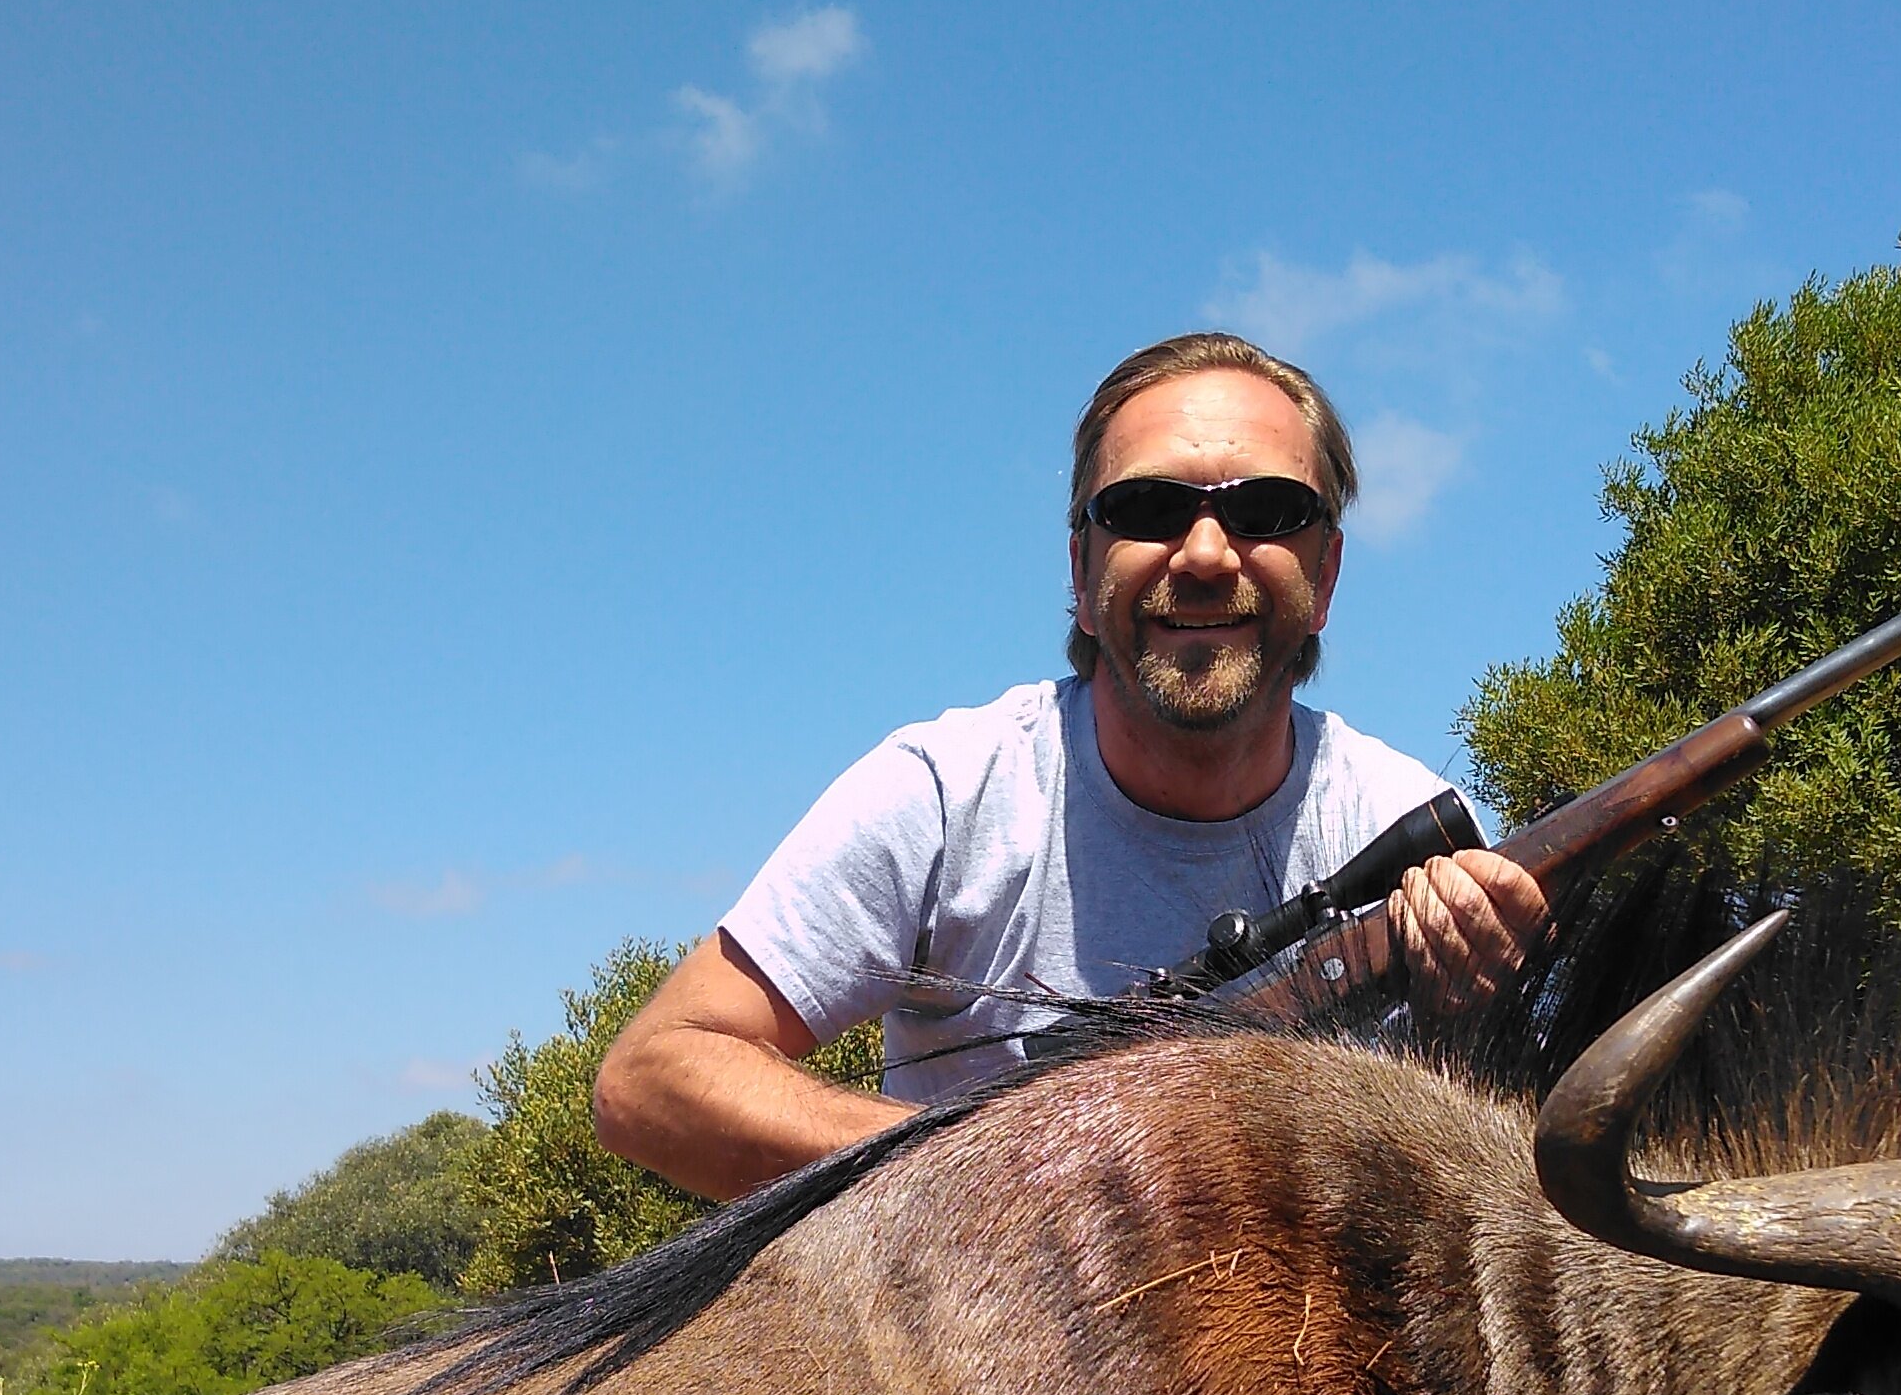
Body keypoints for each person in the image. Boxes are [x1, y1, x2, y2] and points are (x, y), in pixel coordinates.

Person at [592, 332, 1548, 1202]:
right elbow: (653, 1080)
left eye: (1267, 509)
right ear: (1081, 572)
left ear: (1326, 576)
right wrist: (1016, 1172)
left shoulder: (1408, 825)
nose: (1208, 554)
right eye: (1148, 507)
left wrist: (1474, 1024)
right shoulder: (944, 793)